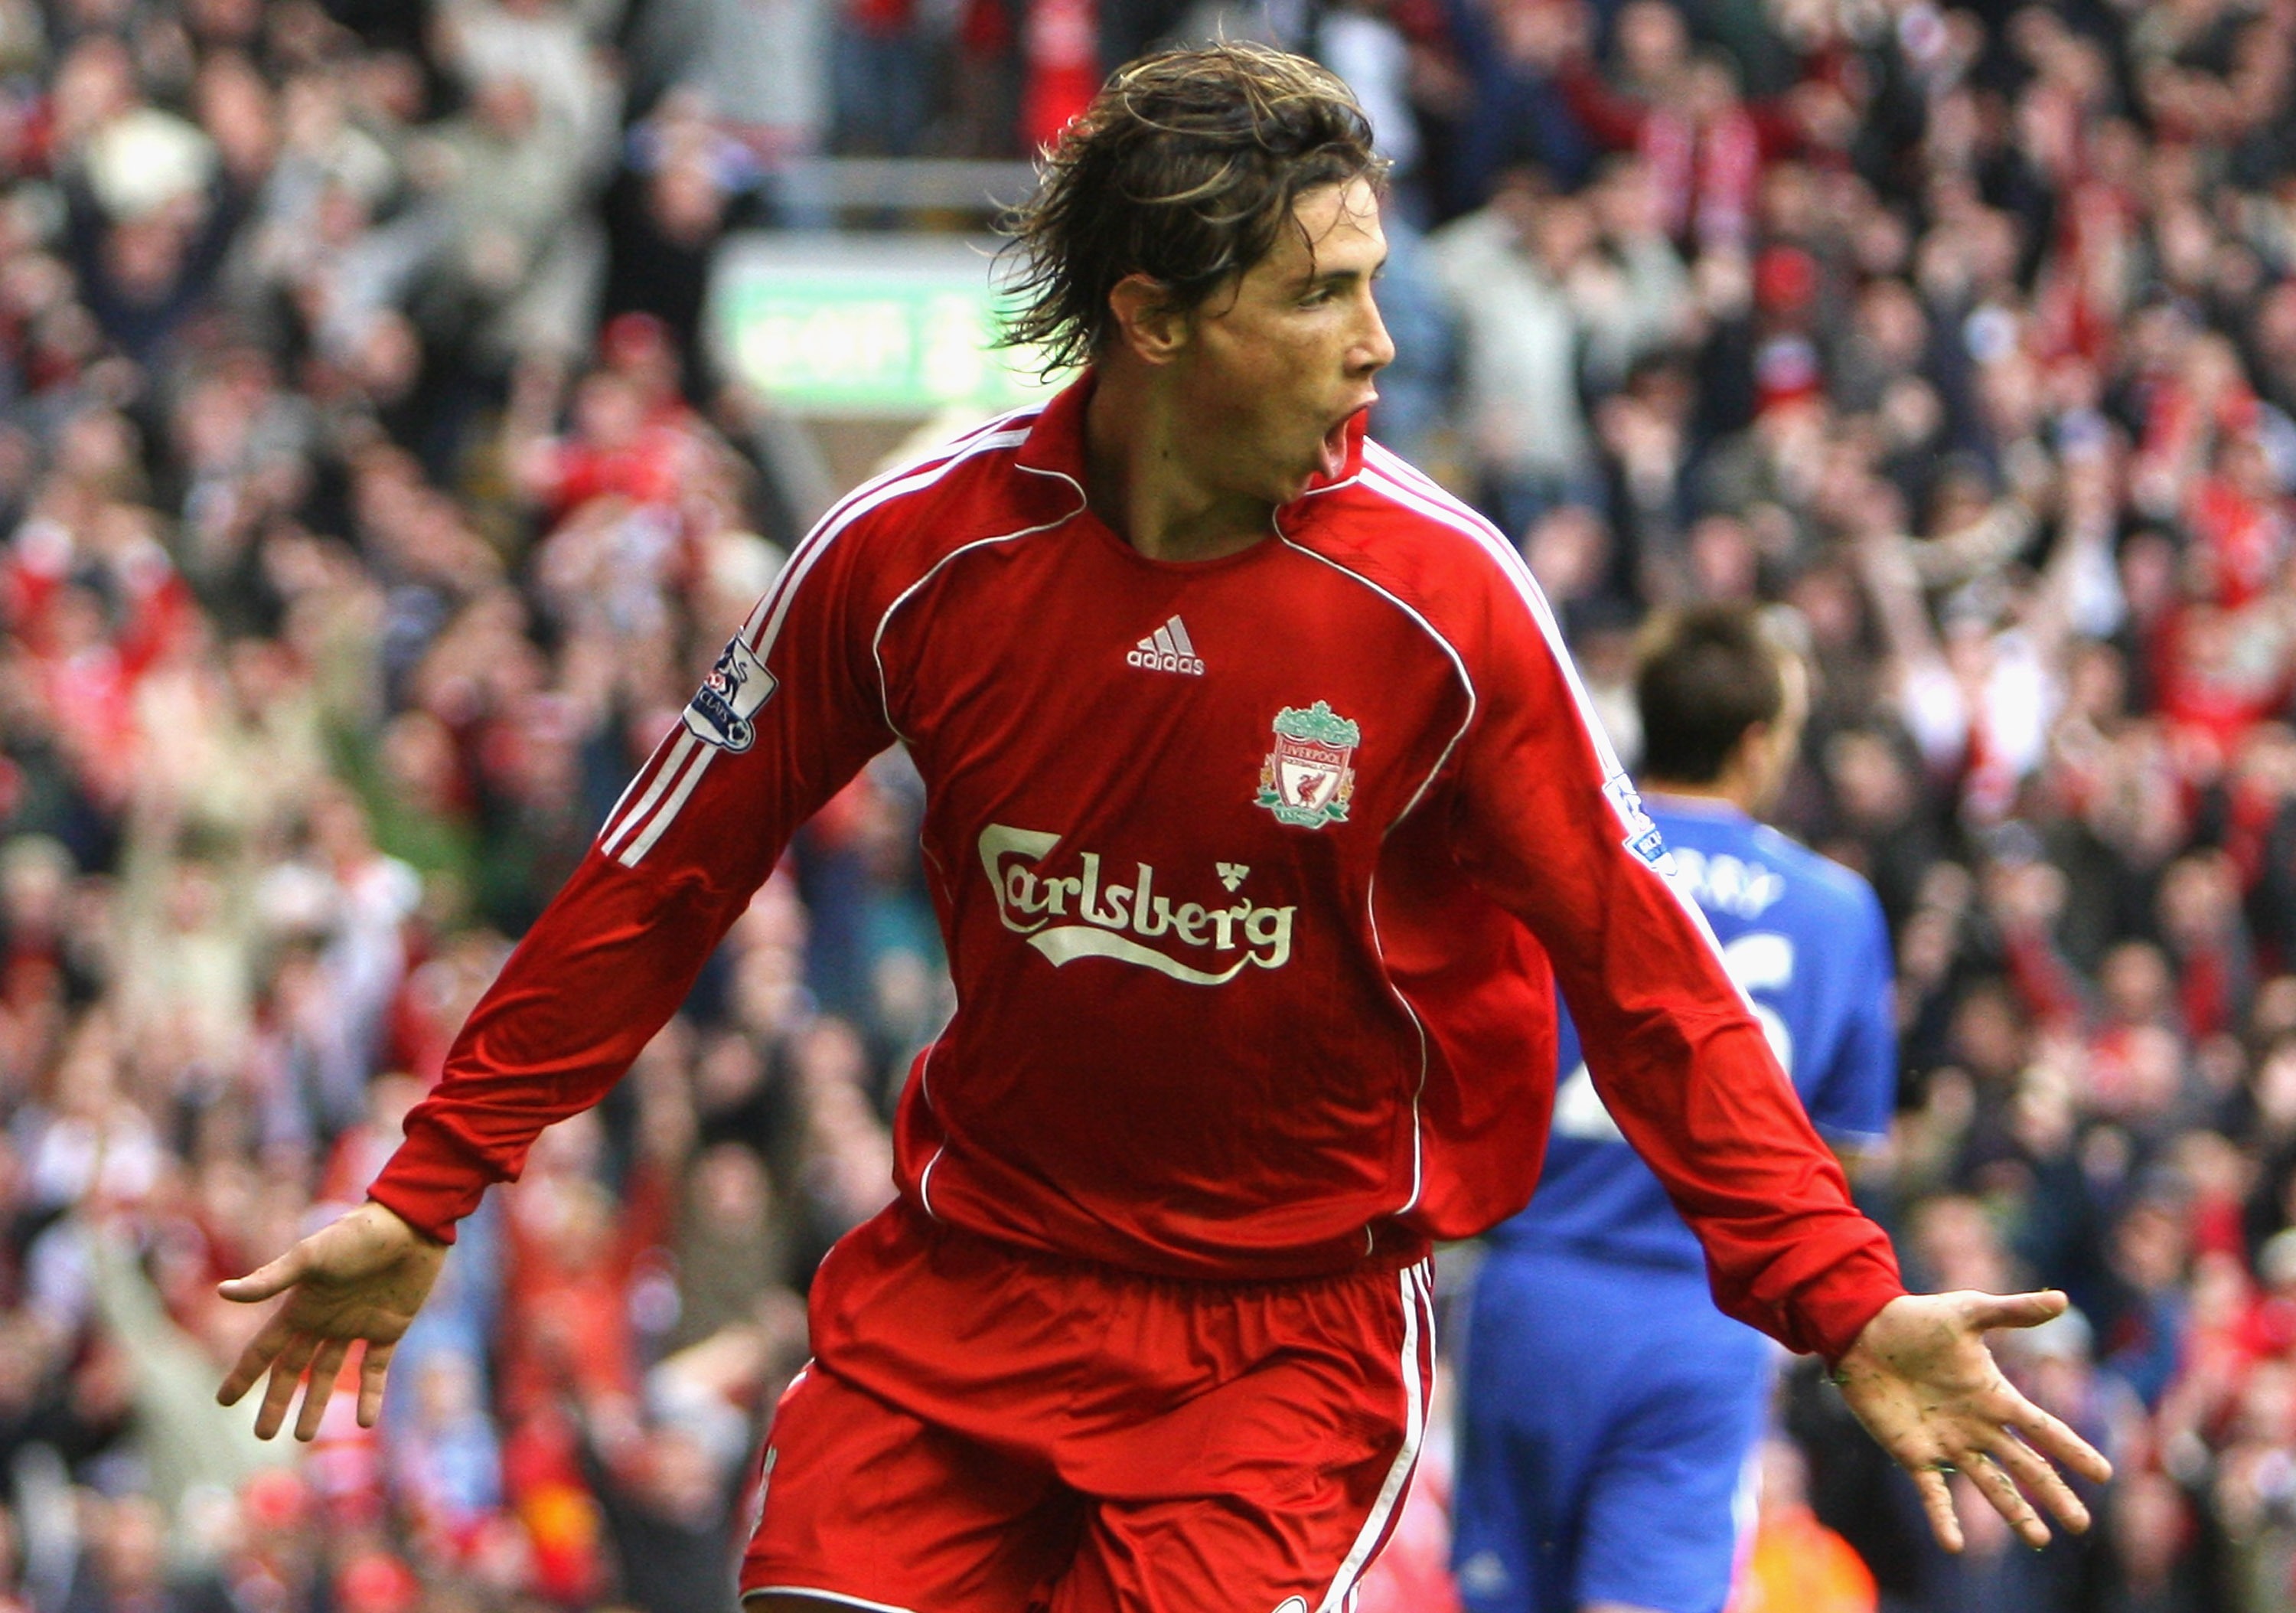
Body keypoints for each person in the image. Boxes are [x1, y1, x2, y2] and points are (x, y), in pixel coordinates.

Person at [214, 44, 2107, 1613]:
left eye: (1375, 280)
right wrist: (427, 1189)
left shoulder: (1447, 608)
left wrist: (1842, 1300)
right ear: (1155, 317)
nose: (1380, 343)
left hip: (1278, 1349)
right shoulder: (912, 557)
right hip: (968, 1289)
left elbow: (1647, 973)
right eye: (1321, 292)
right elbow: (659, 871)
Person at [1450, 606, 1898, 1613]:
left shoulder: (1548, 865)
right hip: (1702, 1311)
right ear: (1758, 743)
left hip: (1529, 1290)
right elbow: (1846, 1150)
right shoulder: (1834, 908)